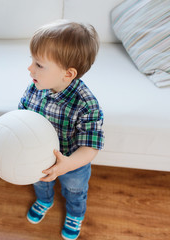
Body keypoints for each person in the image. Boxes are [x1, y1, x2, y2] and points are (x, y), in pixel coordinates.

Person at [18, 20, 104, 240]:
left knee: (75, 190)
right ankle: (44, 200)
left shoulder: (87, 105)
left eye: (38, 64)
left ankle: (76, 213)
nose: (30, 69)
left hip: (71, 162)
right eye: (32, 61)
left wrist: (69, 164)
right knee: (39, 180)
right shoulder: (36, 86)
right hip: (39, 155)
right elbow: (23, 114)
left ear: (68, 74)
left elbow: (91, 146)